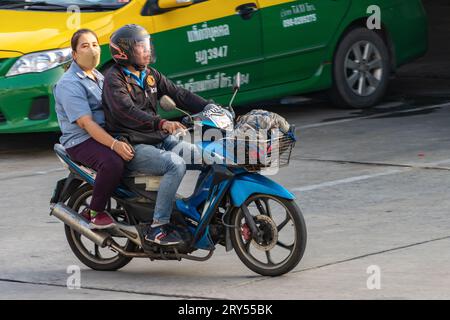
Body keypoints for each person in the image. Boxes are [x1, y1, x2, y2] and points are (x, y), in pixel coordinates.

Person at [102, 24, 210, 245]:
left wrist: (210, 108)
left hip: (158, 139)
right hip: (133, 145)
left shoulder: (149, 74)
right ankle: (158, 227)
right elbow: (126, 112)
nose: (147, 50)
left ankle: (194, 214)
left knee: (207, 158)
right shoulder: (114, 79)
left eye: (147, 44)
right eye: (141, 46)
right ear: (124, 52)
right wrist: (161, 122)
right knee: (176, 165)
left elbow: (178, 94)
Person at [54, 29, 135, 229]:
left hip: (105, 133)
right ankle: (94, 212)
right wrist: (115, 144)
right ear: (74, 54)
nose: (92, 49)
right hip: (82, 141)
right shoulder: (68, 84)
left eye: (95, 44)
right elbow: (87, 124)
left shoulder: (98, 75)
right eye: (85, 45)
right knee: (113, 163)